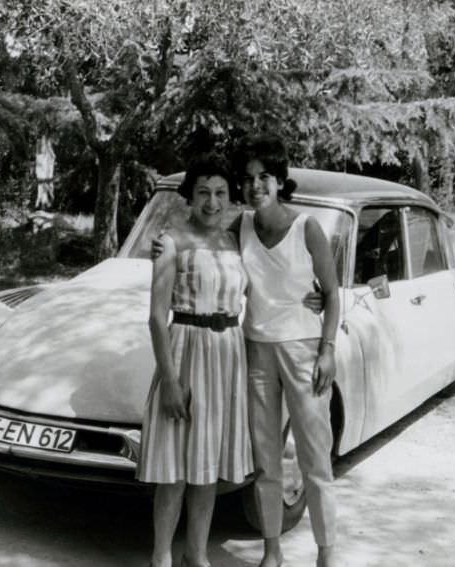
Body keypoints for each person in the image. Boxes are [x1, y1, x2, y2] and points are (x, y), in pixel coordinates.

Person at [138, 152, 253, 567]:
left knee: (207, 467)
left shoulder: (234, 241)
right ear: (190, 195)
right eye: (203, 192)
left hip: (226, 358)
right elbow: (155, 316)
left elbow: (269, 283)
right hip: (186, 352)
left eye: (221, 193)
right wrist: (169, 381)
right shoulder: (171, 241)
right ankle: (161, 556)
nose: (212, 202)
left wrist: (316, 294)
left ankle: (198, 554)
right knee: (175, 469)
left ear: (230, 198)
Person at [233, 134, 340, 567]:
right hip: (257, 350)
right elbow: (201, 244)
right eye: (247, 179)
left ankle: (325, 553)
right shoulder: (237, 226)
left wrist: (327, 349)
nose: (255, 186)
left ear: (279, 182)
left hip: (303, 350)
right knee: (266, 461)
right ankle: (272, 551)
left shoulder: (306, 228)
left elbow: (332, 294)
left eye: (264, 178)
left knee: (315, 459)